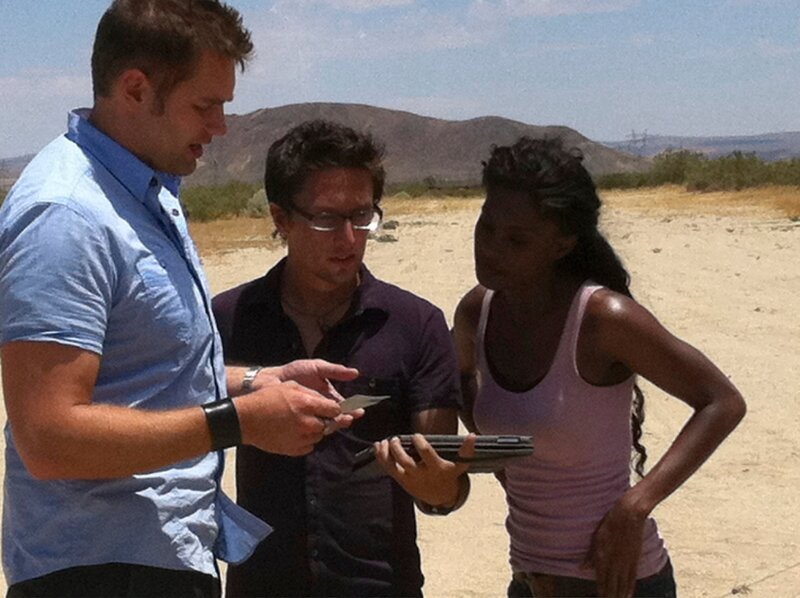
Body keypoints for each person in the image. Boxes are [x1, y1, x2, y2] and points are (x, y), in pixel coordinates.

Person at [0, 2, 360, 596]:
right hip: (98, 572)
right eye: (205, 105)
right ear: (135, 89)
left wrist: (257, 382)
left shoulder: (144, 194)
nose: (220, 126)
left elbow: (150, 373)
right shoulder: (65, 215)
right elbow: (49, 436)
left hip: (155, 559)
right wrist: (236, 421)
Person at [453, 137, 747, 598]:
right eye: (486, 228)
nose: (491, 249)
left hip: (619, 583)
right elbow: (462, 383)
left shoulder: (601, 319)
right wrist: (501, 459)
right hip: (529, 582)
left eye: (517, 240)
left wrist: (636, 506)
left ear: (562, 244)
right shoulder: (476, 312)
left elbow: (721, 402)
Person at [212, 119, 474, 597]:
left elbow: (443, 482)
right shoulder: (229, 318)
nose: (349, 238)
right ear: (280, 218)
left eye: (362, 216)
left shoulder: (415, 325)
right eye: (327, 219)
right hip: (261, 586)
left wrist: (438, 488)